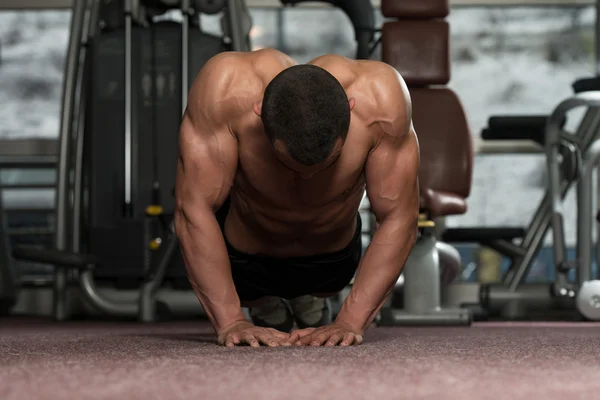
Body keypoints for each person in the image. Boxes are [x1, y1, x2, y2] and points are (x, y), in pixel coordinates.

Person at [174, 48, 419, 348]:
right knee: (264, 314)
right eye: (290, 165)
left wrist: (350, 321)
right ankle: (266, 305)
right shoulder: (225, 88)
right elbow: (193, 208)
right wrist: (230, 321)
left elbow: (400, 215)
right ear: (258, 112)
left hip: (331, 264)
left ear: (351, 107)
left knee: (316, 317)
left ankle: (309, 301)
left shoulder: (380, 98)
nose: (307, 178)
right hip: (248, 265)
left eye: (326, 164)